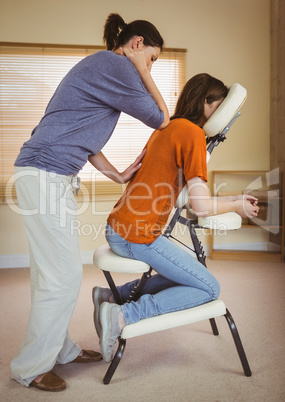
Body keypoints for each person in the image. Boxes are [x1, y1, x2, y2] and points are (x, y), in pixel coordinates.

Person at [11, 13, 170, 392]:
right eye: (152, 57)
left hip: (45, 173)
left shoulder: (99, 67)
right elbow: (162, 118)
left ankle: (61, 350)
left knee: (49, 275)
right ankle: (30, 367)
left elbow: (83, 133)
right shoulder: (116, 65)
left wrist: (115, 174)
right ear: (135, 44)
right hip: (46, 173)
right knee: (63, 277)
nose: (151, 66)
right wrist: (143, 71)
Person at [92, 73, 259, 363]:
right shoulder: (193, 134)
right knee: (209, 287)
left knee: (189, 271)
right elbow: (201, 207)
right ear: (207, 103)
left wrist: (234, 201)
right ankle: (121, 314)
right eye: (219, 107)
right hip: (136, 234)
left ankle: (111, 295)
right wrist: (237, 207)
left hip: (119, 226)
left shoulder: (166, 127)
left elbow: (191, 199)